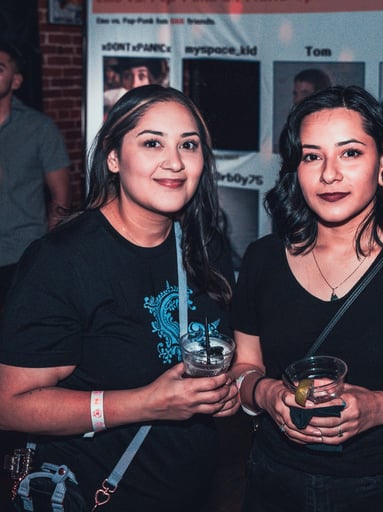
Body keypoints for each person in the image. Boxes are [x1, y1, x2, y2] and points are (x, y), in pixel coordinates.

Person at [230, 85, 383, 512]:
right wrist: (266, 394)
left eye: (349, 153)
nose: (330, 174)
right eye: (312, 156)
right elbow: (244, 369)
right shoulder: (262, 259)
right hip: (274, 477)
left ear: (381, 161)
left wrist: (379, 408)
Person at [0, 85, 238, 511]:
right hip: (91, 492)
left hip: (189, 494)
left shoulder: (205, 248)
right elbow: (9, 406)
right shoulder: (63, 260)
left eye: (188, 144)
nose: (175, 162)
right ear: (113, 157)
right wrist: (146, 403)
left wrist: (226, 393)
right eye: (152, 143)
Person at [0, 41, 71, 310]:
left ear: (16, 81)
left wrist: (46, 252)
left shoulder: (39, 128)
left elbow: (61, 197)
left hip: (19, 255)